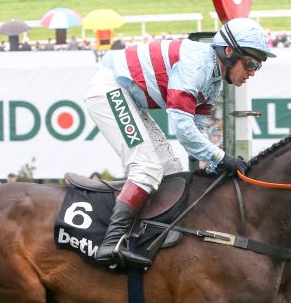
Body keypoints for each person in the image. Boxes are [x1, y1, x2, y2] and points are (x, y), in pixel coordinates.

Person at [82, 17, 275, 267]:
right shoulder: (196, 67)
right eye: (249, 63)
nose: (251, 72)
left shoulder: (215, 79)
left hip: (128, 96)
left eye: (257, 67)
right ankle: (112, 242)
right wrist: (220, 158)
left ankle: (150, 239)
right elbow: (182, 129)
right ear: (228, 52)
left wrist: (216, 164)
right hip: (109, 89)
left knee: (172, 171)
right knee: (147, 168)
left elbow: (197, 130)